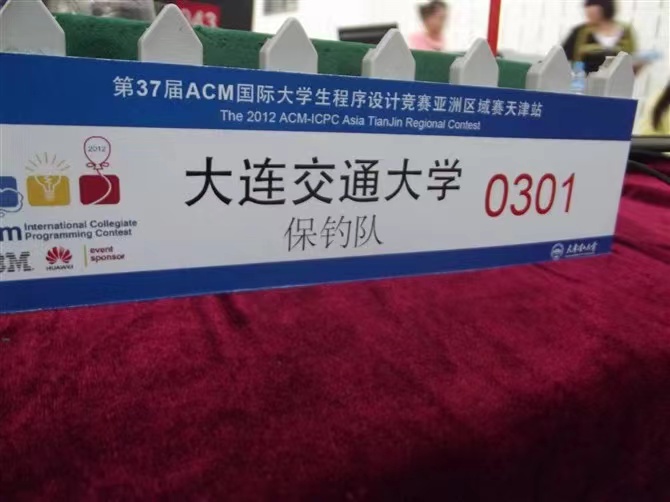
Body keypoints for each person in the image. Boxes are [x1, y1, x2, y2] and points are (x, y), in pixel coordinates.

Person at [562, 0, 636, 74]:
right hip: (587, 78)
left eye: (593, 13)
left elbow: (632, 57)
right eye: (588, 13)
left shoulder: (625, 30)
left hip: (618, 79)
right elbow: (565, 56)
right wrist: (577, 74)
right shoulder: (580, 32)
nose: (589, 16)